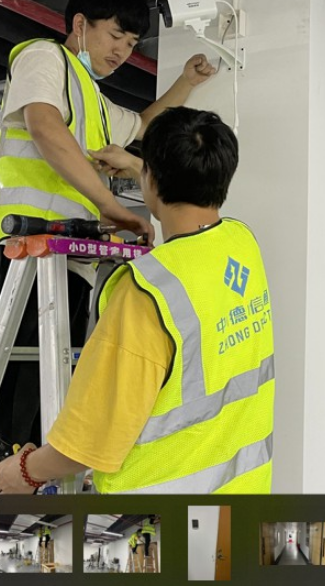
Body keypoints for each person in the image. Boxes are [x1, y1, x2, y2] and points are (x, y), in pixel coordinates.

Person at [0, 107, 275, 494]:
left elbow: (87, 444)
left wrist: (21, 472)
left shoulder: (147, 293)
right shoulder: (241, 245)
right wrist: (142, 168)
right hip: (243, 499)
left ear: (152, 180)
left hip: (161, 514)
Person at [0, 0, 215, 450]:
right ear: (80, 24)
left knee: (37, 400)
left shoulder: (94, 101)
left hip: (68, 259)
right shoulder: (44, 57)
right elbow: (44, 126)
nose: (122, 52)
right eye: (115, 36)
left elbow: (144, 125)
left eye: (132, 44)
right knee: (13, 398)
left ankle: (27, 476)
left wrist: (186, 82)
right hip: (22, 252)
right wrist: (110, 206)